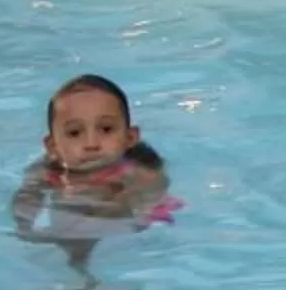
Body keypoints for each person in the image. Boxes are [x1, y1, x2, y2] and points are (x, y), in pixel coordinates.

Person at [11, 74, 178, 277]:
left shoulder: (134, 173)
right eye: (74, 133)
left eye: (106, 129)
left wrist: (120, 202)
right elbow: (26, 196)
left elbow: (151, 191)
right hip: (70, 228)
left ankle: (83, 270)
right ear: (53, 146)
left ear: (129, 138)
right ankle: (79, 270)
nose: (91, 143)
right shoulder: (47, 171)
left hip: (123, 228)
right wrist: (25, 226)